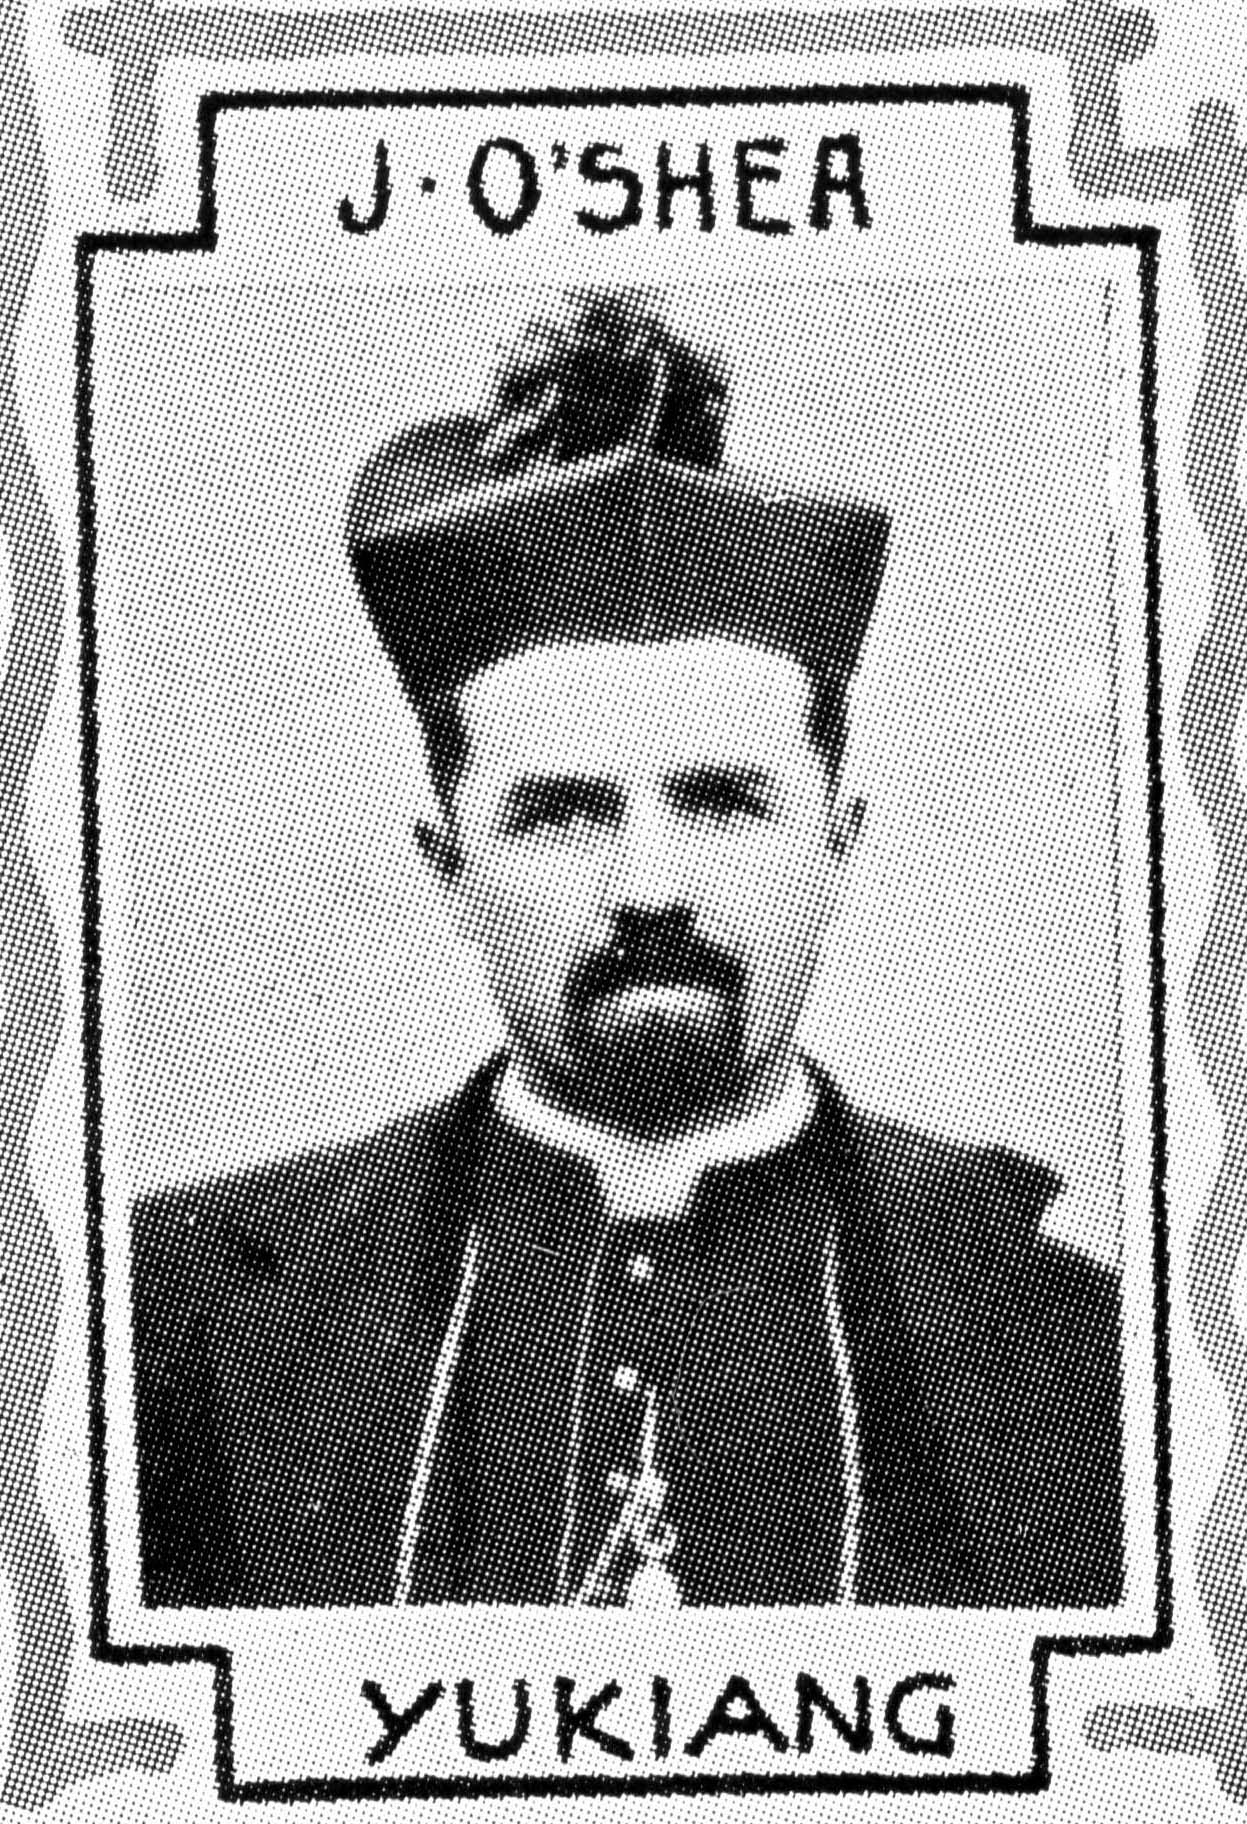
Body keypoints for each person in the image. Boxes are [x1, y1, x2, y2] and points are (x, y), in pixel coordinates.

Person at [130, 296, 1125, 1612]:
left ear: (837, 842)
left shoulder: (1077, 1340)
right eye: (560, 814)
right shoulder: (176, 1313)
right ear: (449, 867)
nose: (649, 887)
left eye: (723, 803)